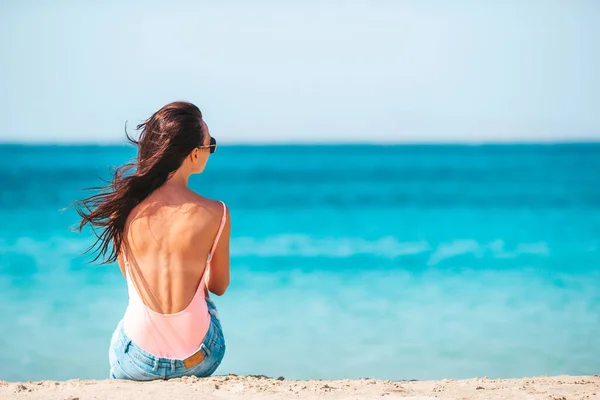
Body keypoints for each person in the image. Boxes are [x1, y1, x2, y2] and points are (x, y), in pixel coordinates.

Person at [75, 101, 230, 380]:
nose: (211, 151)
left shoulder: (123, 207)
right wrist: (196, 268)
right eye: (211, 145)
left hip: (138, 360)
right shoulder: (217, 212)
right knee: (204, 301)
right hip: (198, 359)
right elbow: (218, 286)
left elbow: (130, 274)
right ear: (195, 154)